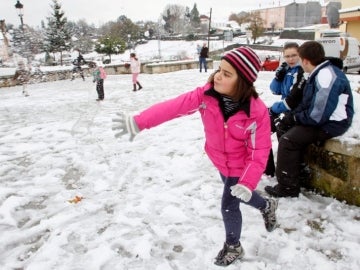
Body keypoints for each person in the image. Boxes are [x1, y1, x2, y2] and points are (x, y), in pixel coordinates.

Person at [112, 46, 278, 266]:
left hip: (241, 166)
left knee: (230, 203)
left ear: (243, 83)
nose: (218, 76)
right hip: (220, 161)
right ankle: (266, 205)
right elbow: (173, 107)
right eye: (220, 69)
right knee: (239, 195)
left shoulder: (256, 112)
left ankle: (233, 246)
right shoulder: (206, 96)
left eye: (227, 74)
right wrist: (139, 121)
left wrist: (247, 181)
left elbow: (259, 151)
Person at [265, 41, 354, 198]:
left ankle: (288, 187)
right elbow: (306, 103)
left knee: (288, 140)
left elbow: (317, 115)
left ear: (305, 60)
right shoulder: (317, 73)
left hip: (333, 123)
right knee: (282, 128)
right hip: (322, 119)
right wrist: (289, 118)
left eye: (298, 58)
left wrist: (294, 118)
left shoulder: (326, 75)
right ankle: (295, 174)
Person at [265, 42, 304, 177]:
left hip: (294, 110)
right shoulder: (287, 70)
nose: (290, 59)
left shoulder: (302, 71)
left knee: (281, 132)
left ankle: (286, 173)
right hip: (284, 108)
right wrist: (278, 77)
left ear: (300, 55)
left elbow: (293, 100)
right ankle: (267, 168)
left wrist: (273, 109)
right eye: (287, 56)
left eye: (294, 55)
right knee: (261, 128)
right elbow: (274, 90)